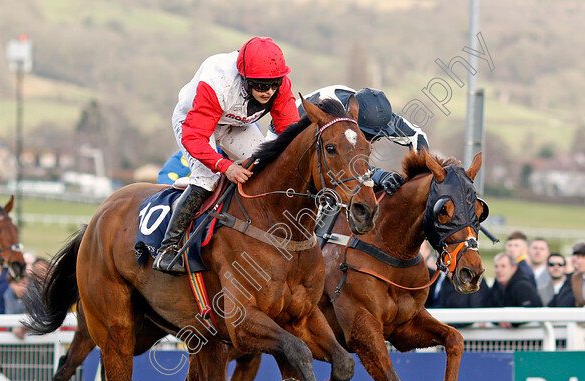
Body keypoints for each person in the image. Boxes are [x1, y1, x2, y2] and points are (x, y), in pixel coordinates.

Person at [152, 37, 299, 274]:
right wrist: (224, 165)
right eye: (261, 85)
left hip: (235, 122)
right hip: (194, 123)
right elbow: (195, 137)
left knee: (264, 167)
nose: (269, 91)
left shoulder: (279, 86)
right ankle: (168, 248)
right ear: (245, 78)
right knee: (206, 179)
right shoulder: (217, 83)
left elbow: (290, 131)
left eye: (274, 84)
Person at [283, 84, 429, 196]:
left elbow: (417, 136)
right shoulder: (335, 118)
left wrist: (418, 180)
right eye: (367, 136)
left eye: (377, 137)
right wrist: (378, 175)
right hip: (285, 133)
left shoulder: (378, 116)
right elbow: (338, 164)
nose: (372, 142)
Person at [485, 253, 542, 328]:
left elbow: (531, 311)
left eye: (503, 266)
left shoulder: (523, 286)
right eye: (496, 266)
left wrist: (511, 321)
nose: (498, 270)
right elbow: (488, 308)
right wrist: (498, 320)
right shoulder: (496, 287)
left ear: (514, 268)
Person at [527, 237, 553, 305]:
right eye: (535, 248)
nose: (538, 252)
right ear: (528, 251)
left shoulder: (552, 276)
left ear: (548, 254)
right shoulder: (521, 273)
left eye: (542, 249)